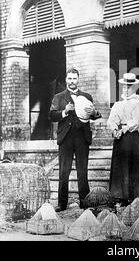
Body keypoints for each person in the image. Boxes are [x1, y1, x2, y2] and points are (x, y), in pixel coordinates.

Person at [49, 67, 102, 212]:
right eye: (70, 78)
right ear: (66, 80)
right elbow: (52, 115)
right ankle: (62, 203)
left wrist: (94, 113)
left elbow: (93, 114)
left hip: (82, 137)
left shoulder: (87, 96)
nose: (72, 81)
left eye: (74, 78)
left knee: (82, 170)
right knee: (63, 171)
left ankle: (85, 201)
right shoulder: (59, 97)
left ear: (78, 79)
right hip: (65, 137)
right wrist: (65, 111)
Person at [107, 73, 139, 206]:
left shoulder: (137, 103)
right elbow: (112, 119)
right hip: (120, 139)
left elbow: (136, 121)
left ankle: (137, 195)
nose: (125, 90)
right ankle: (119, 196)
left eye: (129, 87)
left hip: (131, 138)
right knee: (120, 165)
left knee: (134, 165)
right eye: (124, 87)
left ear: (134, 88)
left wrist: (123, 129)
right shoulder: (118, 104)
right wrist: (114, 130)